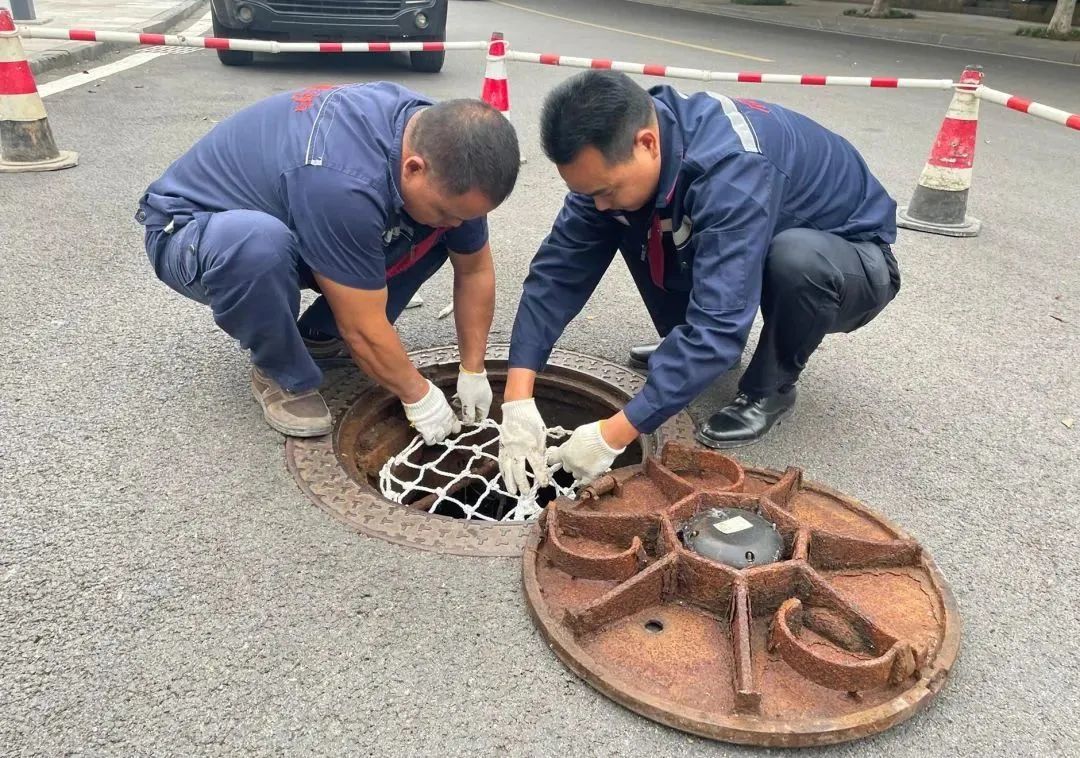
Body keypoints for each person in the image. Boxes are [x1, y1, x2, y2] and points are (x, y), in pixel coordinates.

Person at [497, 70, 900, 493]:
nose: (597, 202)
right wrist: (518, 397)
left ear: (647, 143)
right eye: (587, 192)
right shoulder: (617, 163)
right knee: (630, 216)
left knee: (794, 261)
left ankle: (771, 388)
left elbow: (720, 323)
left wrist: (612, 434)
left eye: (604, 190)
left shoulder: (730, 169)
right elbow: (557, 273)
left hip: (851, 259)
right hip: (756, 233)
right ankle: (692, 355)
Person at [137, 82, 520, 441]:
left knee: (435, 230)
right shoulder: (343, 182)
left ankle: (319, 335)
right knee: (259, 246)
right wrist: (419, 396)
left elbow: (474, 269)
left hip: (301, 220)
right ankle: (280, 371)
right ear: (413, 167)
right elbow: (363, 325)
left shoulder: (449, 155)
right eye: (447, 210)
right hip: (195, 233)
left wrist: (473, 368)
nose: (456, 222)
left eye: (465, 216)